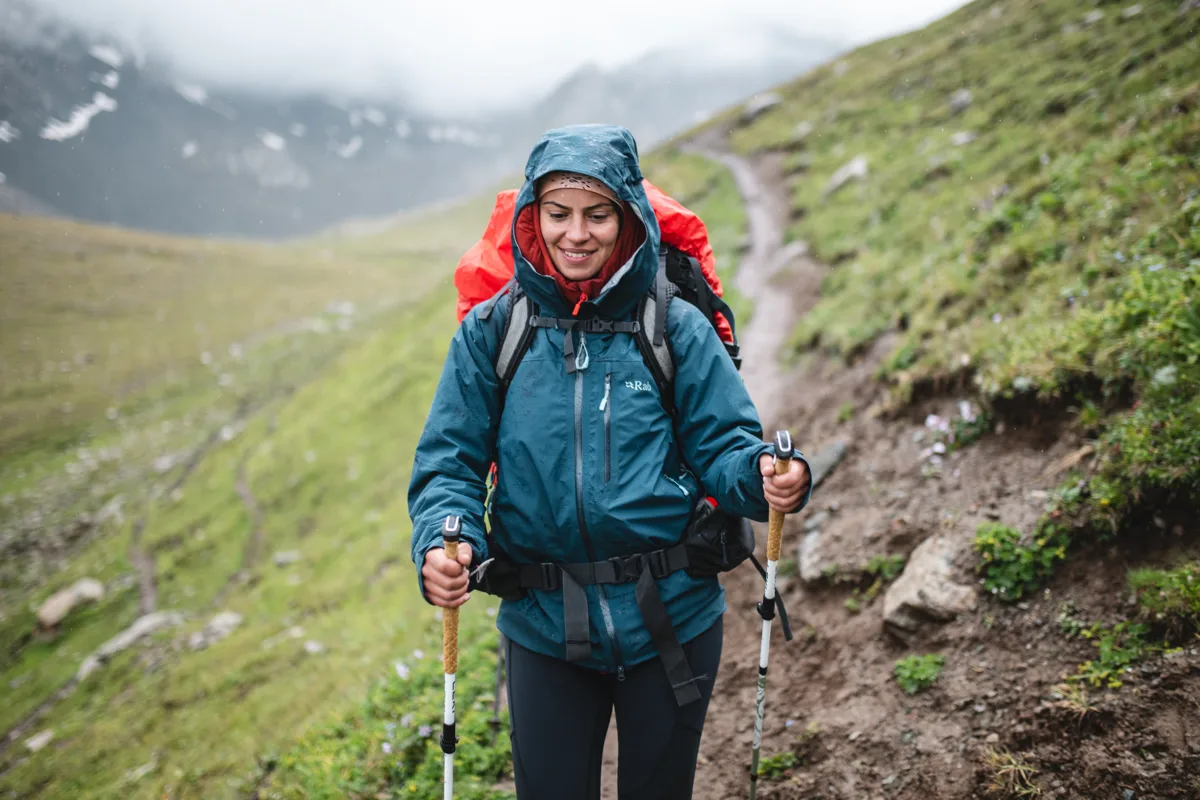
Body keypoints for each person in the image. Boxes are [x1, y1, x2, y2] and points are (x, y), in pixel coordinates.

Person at [408, 124, 812, 799]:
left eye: (598, 215)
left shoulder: (673, 326)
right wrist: (444, 538)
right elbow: (450, 461)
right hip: (543, 624)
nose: (576, 234)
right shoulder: (493, 332)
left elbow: (724, 446)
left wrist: (766, 478)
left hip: (673, 617)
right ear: (531, 219)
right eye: (558, 214)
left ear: (627, 217)